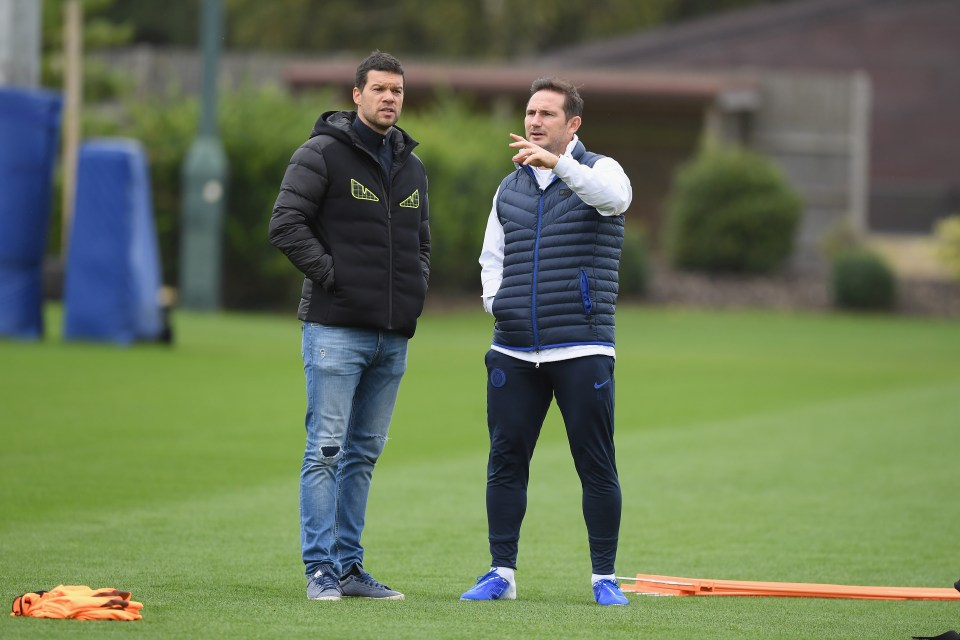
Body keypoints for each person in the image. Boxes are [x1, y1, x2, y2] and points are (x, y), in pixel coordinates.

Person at [460, 77, 633, 606]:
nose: (534, 122)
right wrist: (498, 303)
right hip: (513, 349)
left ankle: (604, 577)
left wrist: (557, 165)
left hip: (581, 347)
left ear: (573, 124)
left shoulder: (601, 169)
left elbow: (616, 200)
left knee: (595, 463)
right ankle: (501, 573)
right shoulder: (507, 186)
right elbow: (493, 257)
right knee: (505, 461)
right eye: (530, 112)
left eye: (547, 115)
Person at [268, 51, 430, 602]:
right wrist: (334, 276)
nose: (390, 99)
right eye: (380, 89)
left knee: (363, 454)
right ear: (356, 94)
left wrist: (414, 292)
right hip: (336, 329)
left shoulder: (412, 166)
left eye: (398, 91)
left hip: (392, 335)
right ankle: (320, 571)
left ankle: (350, 567)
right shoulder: (321, 154)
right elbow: (285, 224)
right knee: (327, 450)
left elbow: (420, 245)